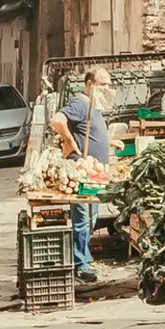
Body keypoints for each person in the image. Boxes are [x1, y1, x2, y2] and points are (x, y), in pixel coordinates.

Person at [51, 68, 111, 286]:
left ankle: (84, 258)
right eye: (103, 84)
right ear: (90, 83)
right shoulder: (80, 104)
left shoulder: (94, 106)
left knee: (91, 216)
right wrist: (70, 141)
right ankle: (81, 265)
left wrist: (110, 143)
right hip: (83, 172)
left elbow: (89, 132)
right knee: (83, 218)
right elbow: (57, 120)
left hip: (95, 173)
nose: (107, 89)